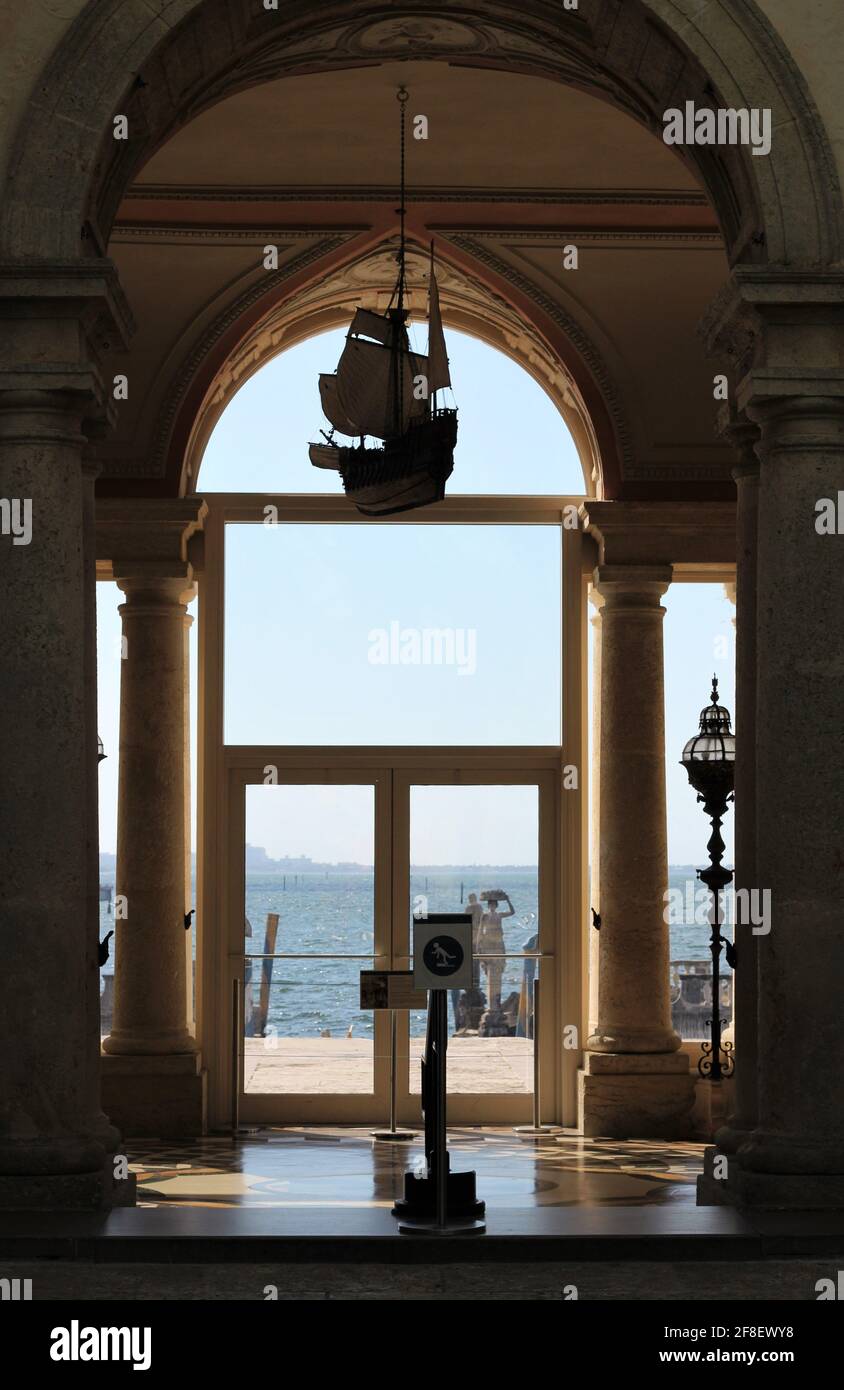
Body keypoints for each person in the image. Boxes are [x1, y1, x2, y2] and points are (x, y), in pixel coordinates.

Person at [477, 890, 515, 1011]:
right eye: (490, 905)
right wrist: (479, 944)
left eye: (494, 905)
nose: (492, 907)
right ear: (488, 906)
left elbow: (512, 912)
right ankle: (492, 1002)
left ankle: (495, 1002)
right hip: (488, 944)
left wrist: (508, 900)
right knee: (489, 969)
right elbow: (480, 930)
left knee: (498, 969)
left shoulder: (499, 915)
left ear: (496, 906)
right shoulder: (485, 916)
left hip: (498, 943)